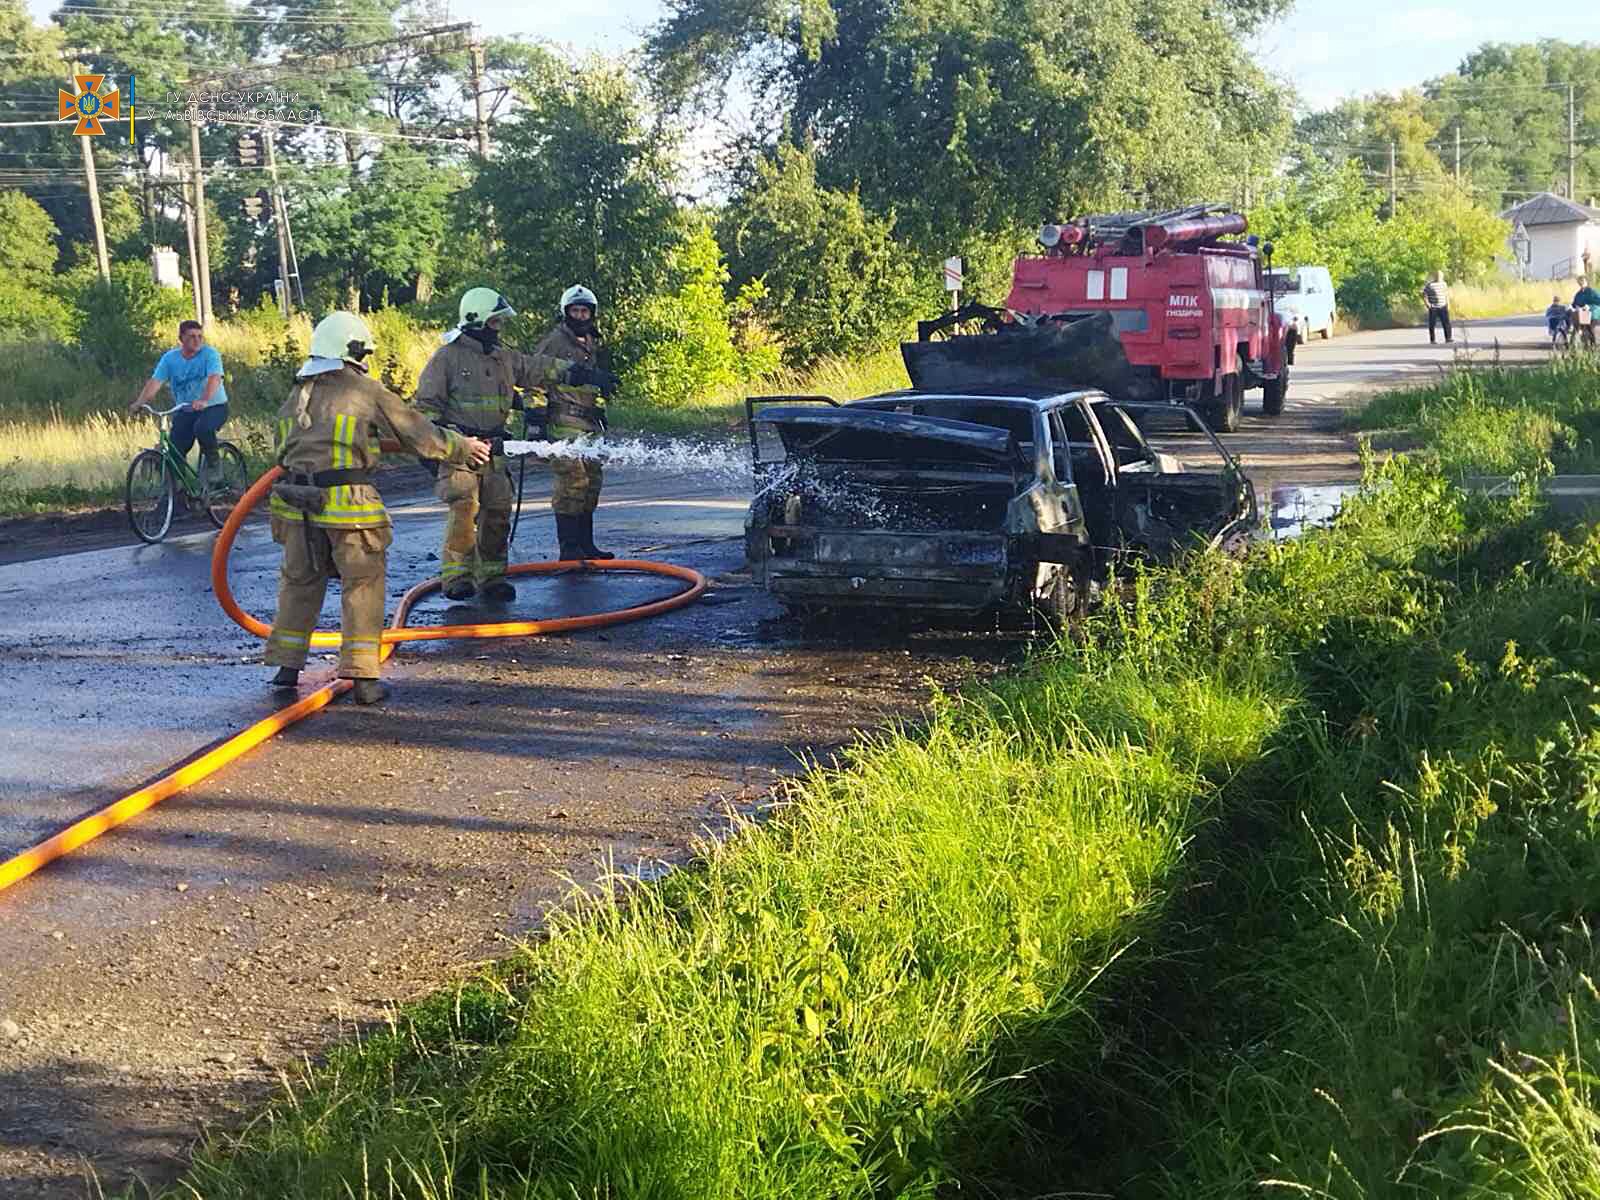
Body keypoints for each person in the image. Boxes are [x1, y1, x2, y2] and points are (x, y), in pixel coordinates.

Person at [264, 313, 492, 706]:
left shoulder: (296, 395)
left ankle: (287, 666)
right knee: (363, 586)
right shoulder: (363, 390)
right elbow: (417, 431)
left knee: (299, 583)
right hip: (347, 505)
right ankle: (364, 678)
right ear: (352, 351)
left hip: (295, 505)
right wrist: (464, 448)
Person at [413, 287, 613, 602]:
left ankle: (492, 577)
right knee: (465, 512)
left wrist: (578, 373)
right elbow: (424, 409)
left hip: (495, 449)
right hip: (461, 450)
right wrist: (434, 450)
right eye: (495, 322)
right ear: (477, 321)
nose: (499, 328)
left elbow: (537, 367)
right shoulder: (447, 357)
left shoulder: (503, 356)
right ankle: (457, 578)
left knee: (498, 514)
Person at [532, 285, 621, 561]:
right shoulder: (554, 343)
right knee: (573, 482)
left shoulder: (590, 343)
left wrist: (601, 406)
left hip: (589, 424)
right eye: (575, 311)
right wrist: (536, 424)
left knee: (592, 481)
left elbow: (590, 388)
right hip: (563, 422)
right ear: (565, 312)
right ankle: (568, 549)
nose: (580, 316)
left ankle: (586, 544)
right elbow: (534, 379)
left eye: (584, 311)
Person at [128, 319, 229, 468]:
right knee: (175, 451)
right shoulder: (170, 358)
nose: (197, 340)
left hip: (214, 406)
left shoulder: (210, 354)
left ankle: (214, 465)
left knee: (203, 428)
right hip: (186, 409)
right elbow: (155, 382)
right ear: (181, 338)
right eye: (191, 337)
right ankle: (177, 488)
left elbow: (215, 378)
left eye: (199, 336)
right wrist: (139, 403)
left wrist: (204, 400)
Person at [1422, 271, 1452, 345]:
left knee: (1446, 323)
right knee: (1432, 324)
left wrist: (1448, 303)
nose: (1439, 277)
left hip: (1443, 306)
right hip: (1434, 307)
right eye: (1438, 276)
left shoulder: (1444, 284)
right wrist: (1428, 304)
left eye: (1441, 276)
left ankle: (1448, 338)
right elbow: (1424, 295)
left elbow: (1446, 294)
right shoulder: (1430, 285)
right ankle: (1433, 340)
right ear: (1435, 276)